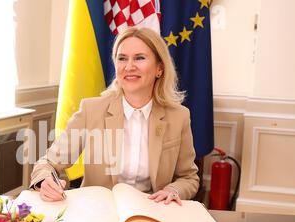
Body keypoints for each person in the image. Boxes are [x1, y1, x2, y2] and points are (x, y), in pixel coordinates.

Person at [30, 26, 199, 204]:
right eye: (122, 58)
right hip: (100, 213)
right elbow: (48, 162)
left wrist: (173, 189)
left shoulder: (179, 116)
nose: (129, 67)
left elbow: (189, 177)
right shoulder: (91, 110)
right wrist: (45, 180)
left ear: (159, 68)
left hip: (153, 213)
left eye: (140, 58)